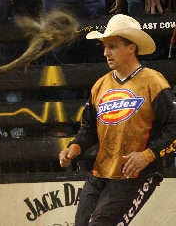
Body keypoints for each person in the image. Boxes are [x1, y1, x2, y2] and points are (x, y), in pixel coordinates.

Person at [59, 14, 176, 226]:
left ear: (131, 48)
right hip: (101, 172)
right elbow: (89, 128)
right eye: (105, 47)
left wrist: (147, 155)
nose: (106, 53)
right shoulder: (100, 85)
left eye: (112, 46)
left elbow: (174, 127)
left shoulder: (153, 81)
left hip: (137, 174)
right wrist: (75, 147)